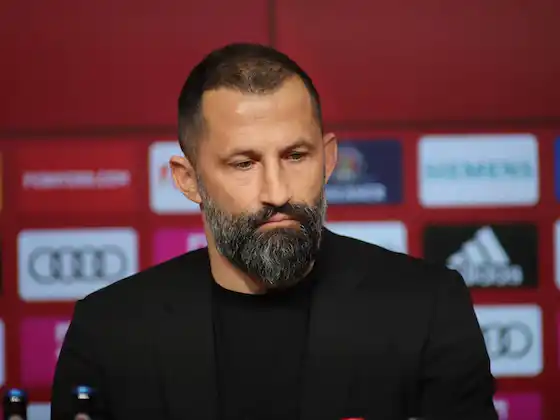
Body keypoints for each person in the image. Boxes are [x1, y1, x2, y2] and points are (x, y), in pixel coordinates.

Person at [51, 42, 498, 420]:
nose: (277, 192)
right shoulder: (109, 331)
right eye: (244, 163)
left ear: (328, 159)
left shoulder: (426, 308)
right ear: (189, 181)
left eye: (295, 156)